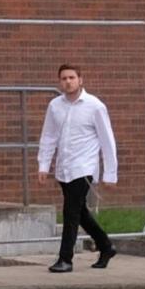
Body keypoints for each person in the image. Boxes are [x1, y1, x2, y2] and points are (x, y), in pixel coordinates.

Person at [34, 62, 119, 272]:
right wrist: (44, 164)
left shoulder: (95, 106)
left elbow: (107, 140)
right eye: (64, 78)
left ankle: (65, 259)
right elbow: (49, 136)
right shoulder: (55, 106)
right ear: (59, 81)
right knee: (79, 212)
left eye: (72, 77)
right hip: (65, 167)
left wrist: (110, 173)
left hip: (84, 167)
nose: (68, 82)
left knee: (70, 212)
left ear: (80, 80)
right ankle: (106, 246)